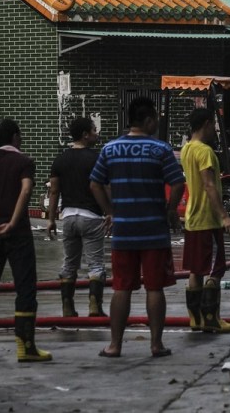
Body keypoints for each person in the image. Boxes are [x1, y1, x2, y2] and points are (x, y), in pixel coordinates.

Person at [90, 97, 185, 358]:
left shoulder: (110, 149)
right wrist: (170, 212)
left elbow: (95, 183)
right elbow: (177, 183)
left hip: (124, 231)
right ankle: (156, 344)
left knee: (121, 287)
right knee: (155, 287)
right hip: (154, 230)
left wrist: (110, 211)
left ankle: (115, 345)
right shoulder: (160, 149)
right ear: (148, 120)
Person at [0, 118, 52, 362]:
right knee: (25, 287)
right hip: (19, 235)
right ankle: (25, 347)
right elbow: (26, 190)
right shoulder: (24, 161)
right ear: (16, 136)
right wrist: (13, 222)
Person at [181, 108, 230, 333]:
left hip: (192, 218)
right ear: (205, 124)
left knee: (195, 270)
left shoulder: (186, 149)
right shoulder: (204, 152)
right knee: (215, 269)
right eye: (213, 124)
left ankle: (195, 319)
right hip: (208, 219)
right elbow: (209, 184)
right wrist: (224, 215)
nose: (215, 129)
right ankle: (212, 319)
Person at [47, 117, 108, 318]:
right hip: (91, 216)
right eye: (94, 130)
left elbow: (54, 192)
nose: (96, 134)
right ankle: (94, 306)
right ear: (85, 135)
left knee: (69, 263)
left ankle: (67, 306)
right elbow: (103, 187)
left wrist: (51, 219)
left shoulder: (60, 159)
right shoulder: (97, 158)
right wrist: (110, 211)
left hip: (69, 217)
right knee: (95, 264)